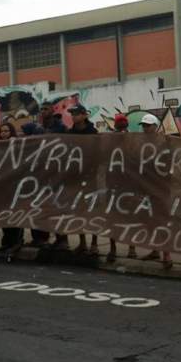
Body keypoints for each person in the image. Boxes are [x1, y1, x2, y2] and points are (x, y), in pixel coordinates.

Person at [136, 114, 173, 269]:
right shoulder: (140, 143)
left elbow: (169, 163)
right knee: (150, 220)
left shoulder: (164, 142)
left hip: (161, 187)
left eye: (148, 125)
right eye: (143, 125)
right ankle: (155, 250)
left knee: (162, 220)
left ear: (155, 126)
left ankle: (167, 254)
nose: (145, 128)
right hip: (145, 187)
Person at [30, 101, 67, 248]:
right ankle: (40, 238)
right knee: (39, 206)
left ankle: (61, 239)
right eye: (41, 109)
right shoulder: (36, 129)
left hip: (56, 172)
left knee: (57, 207)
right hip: (40, 173)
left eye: (46, 109)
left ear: (52, 111)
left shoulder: (61, 128)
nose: (43, 111)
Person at [67, 105, 100, 257]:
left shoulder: (93, 132)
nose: (73, 116)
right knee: (78, 210)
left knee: (93, 210)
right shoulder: (70, 134)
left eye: (76, 113)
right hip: (75, 177)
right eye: (72, 114)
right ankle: (82, 242)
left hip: (91, 176)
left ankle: (94, 243)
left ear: (84, 115)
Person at [106, 114, 138, 263]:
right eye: (120, 123)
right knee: (114, 217)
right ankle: (115, 248)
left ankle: (130, 248)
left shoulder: (132, 139)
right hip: (114, 183)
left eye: (123, 123)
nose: (121, 126)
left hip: (127, 183)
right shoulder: (111, 139)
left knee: (128, 216)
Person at [0, 122, 23, 261]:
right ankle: (6, 242)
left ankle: (16, 242)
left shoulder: (18, 145)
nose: (4, 134)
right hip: (3, 188)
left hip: (16, 187)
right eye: (1, 131)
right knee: (4, 216)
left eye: (6, 131)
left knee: (15, 216)